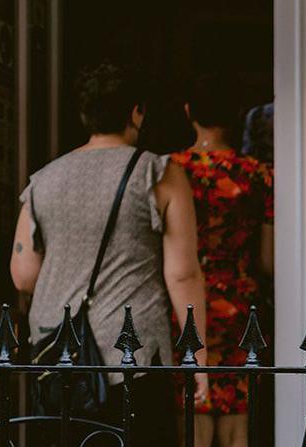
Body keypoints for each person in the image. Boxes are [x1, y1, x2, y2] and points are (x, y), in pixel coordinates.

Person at [11, 61, 206, 384]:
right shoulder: (157, 174)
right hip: (132, 355)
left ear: (85, 115)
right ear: (137, 112)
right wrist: (196, 355)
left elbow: (23, 276)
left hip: (59, 351)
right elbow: (182, 274)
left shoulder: (42, 181)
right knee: (136, 436)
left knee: (67, 436)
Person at [168, 78, 275, 447]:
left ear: (189, 111)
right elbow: (271, 258)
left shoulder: (173, 170)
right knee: (237, 435)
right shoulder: (258, 175)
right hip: (240, 301)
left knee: (195, 435)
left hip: (188, 305)